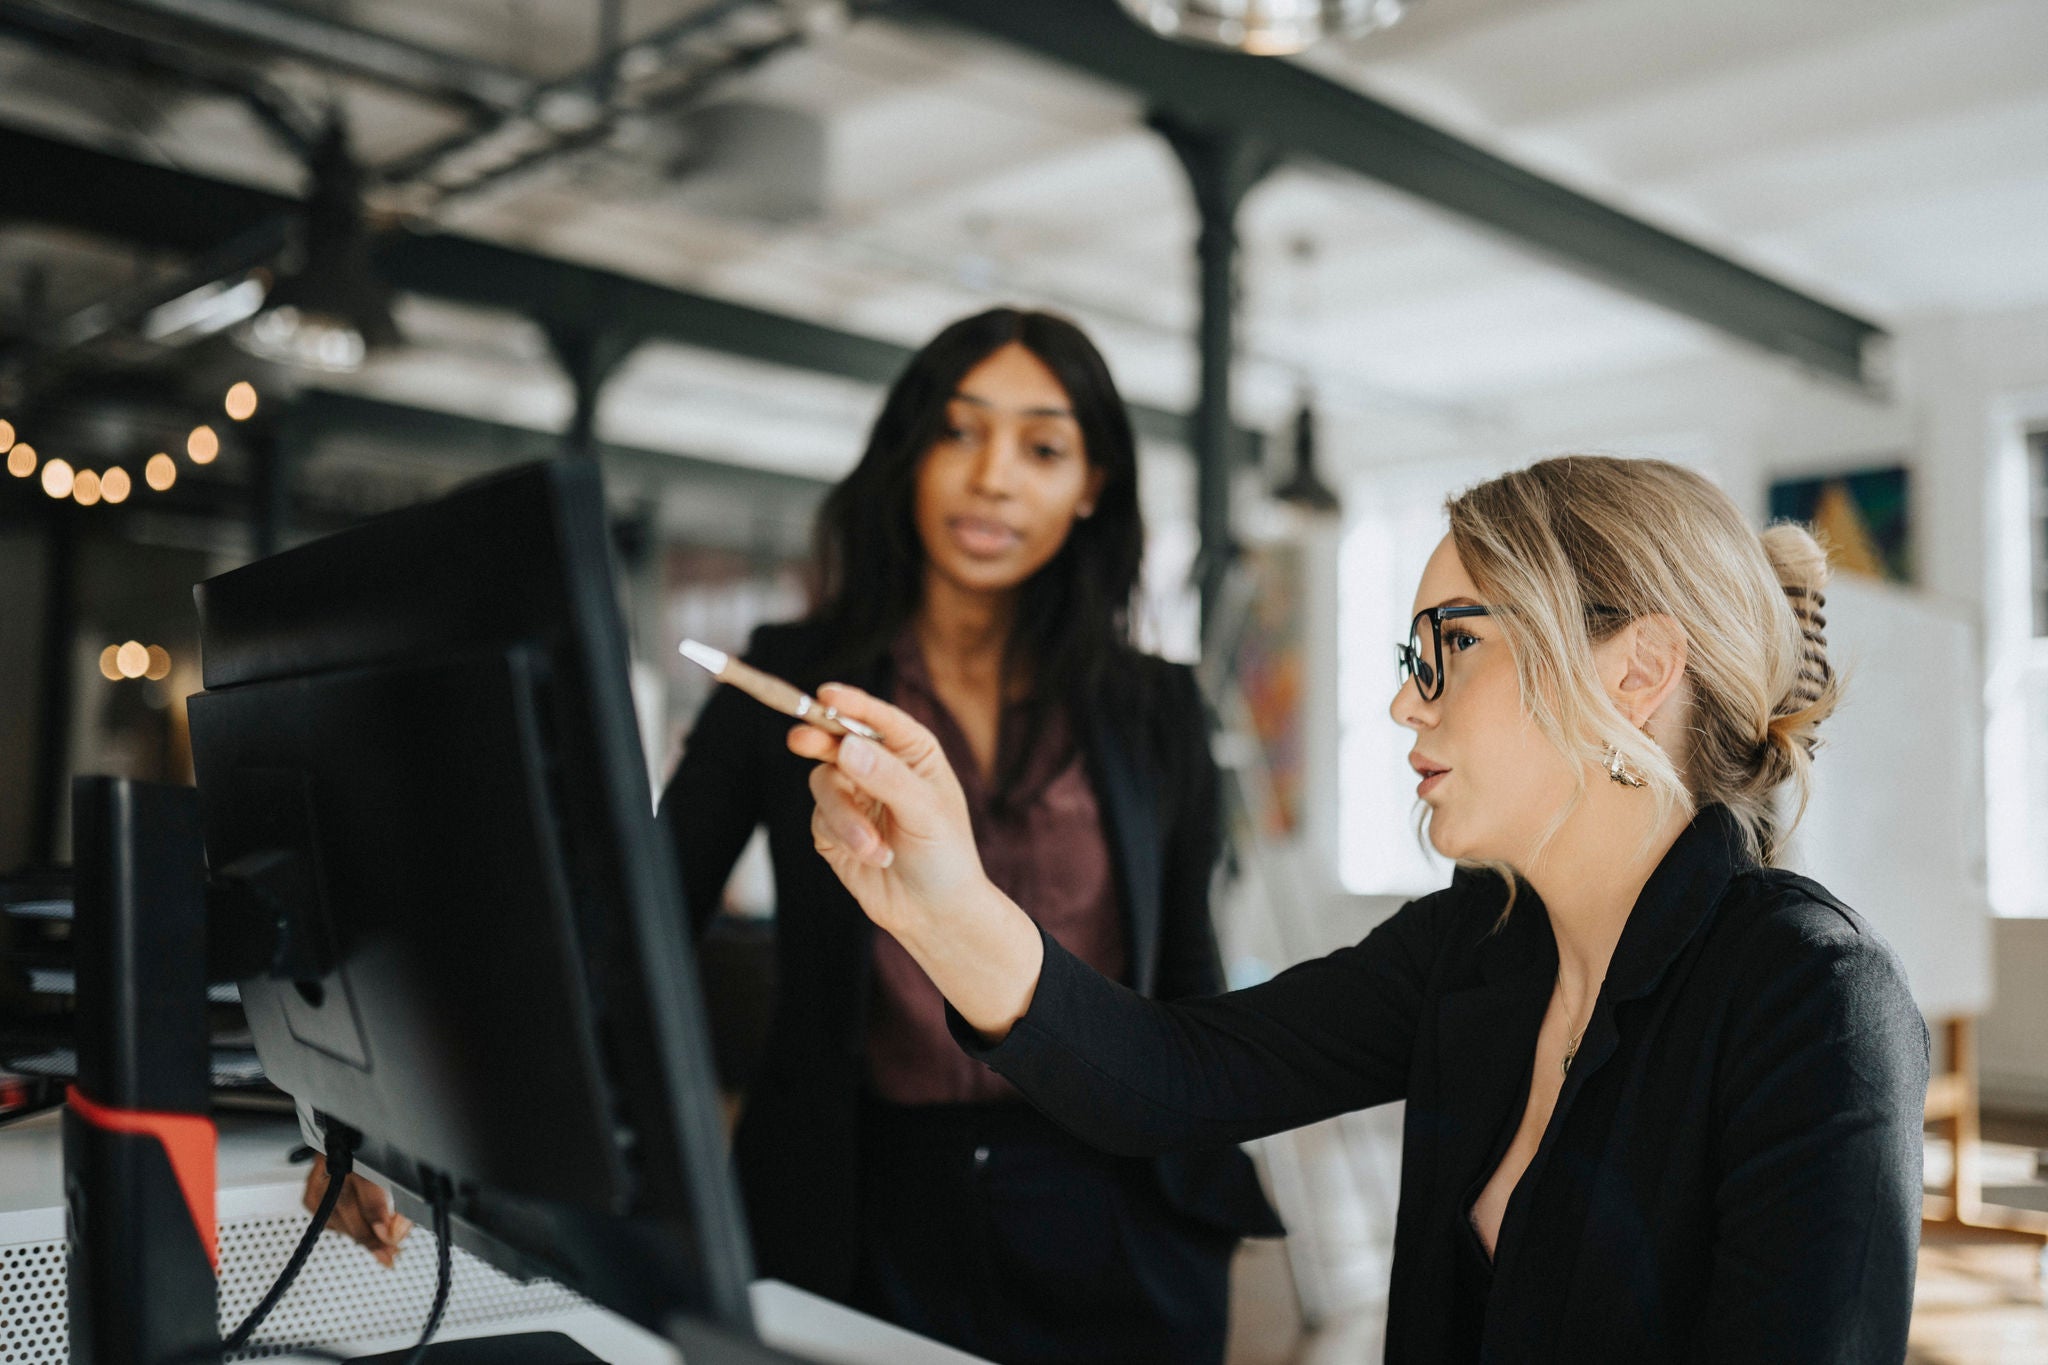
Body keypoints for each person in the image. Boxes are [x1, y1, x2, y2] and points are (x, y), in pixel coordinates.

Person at [790, 455, 1932, 1364]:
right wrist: (938, 904)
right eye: (1408, 654)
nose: (1400, 700)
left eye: (1450, 647)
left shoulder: (1811, 1001)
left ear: (1634, 670)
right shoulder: (1478, 945)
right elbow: (1175, 1077)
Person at [304, 308, 1280, 1365]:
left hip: (1119, 1210)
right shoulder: (790, 678)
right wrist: (388, 1134)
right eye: (959, 433)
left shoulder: (1156, 709)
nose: (994, 477)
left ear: (1090, 487)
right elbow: (627, 938)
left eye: (1042, 448)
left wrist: (1199, 1209)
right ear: (907, 456)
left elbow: (1187, 980)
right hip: (856, 1208)